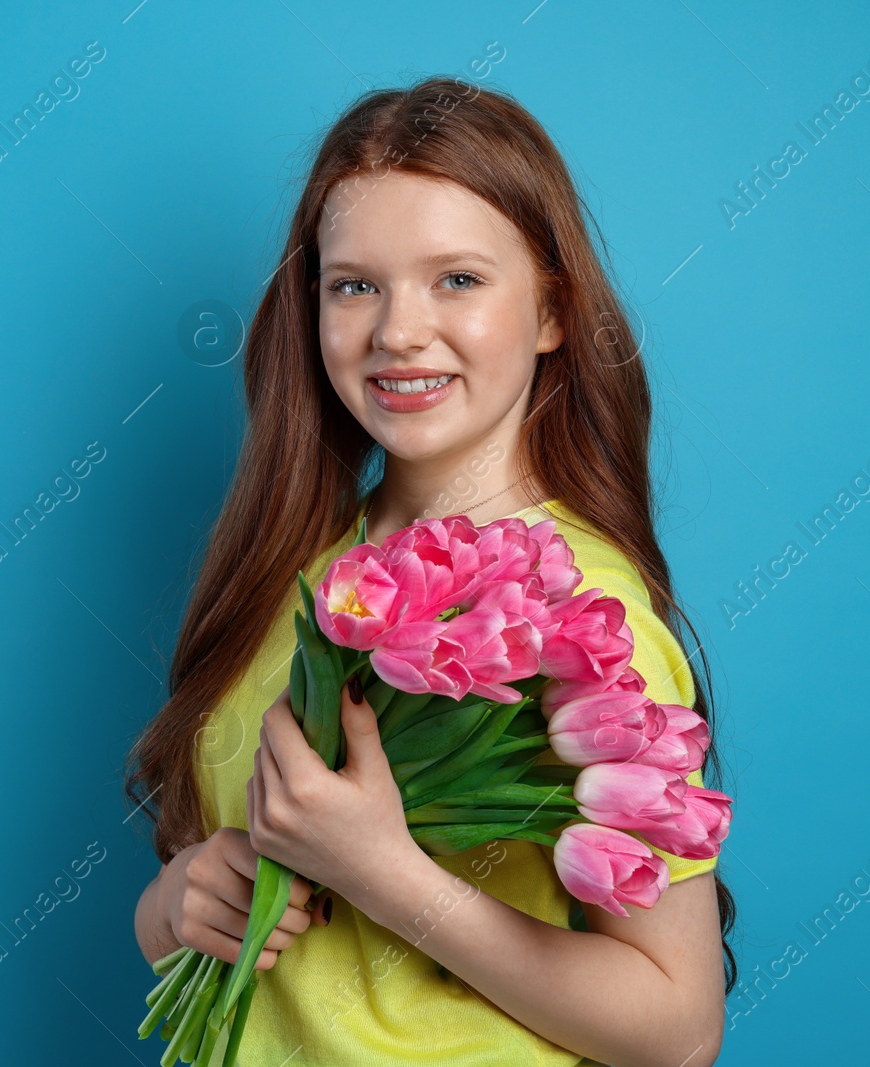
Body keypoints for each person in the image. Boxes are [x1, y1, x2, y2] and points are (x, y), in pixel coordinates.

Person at [126, 75, 736, 1067]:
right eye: (355, 284)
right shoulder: (304, 570)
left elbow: (676, 1025)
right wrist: (173, 902)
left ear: (550, 312)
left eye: (457, 279)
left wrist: (384, 872)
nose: (397, 331)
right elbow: (207, 897)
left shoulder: (582, 612)